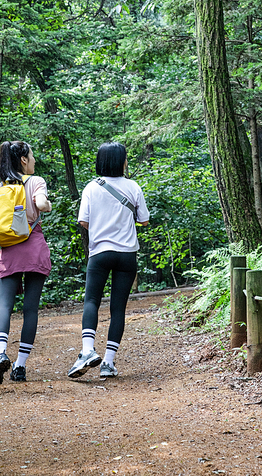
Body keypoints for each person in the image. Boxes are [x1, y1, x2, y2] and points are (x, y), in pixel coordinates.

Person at [68, 141, 149, 379]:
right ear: (120, 162)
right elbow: (144, 220)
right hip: (127, 254)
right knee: (118, 308)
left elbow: (83, 221)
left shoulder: (91, 188)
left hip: (100, 252)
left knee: (92, 300)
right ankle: (108, 363)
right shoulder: (133, 186)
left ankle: (87, 350)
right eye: (125, 158)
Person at [0, 140, 52, 387]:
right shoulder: (35, 181)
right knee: (30, 309)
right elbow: (42, 204)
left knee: (4, 306)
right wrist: (48, 205)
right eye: (32, 156)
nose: (34, 160)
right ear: (23, 160)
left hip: (10, 250)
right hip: (34, 248)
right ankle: (21, 367)